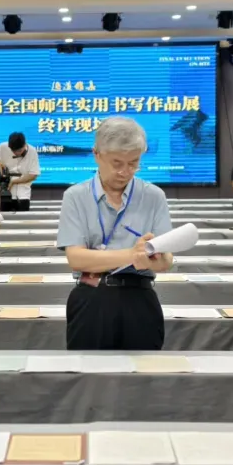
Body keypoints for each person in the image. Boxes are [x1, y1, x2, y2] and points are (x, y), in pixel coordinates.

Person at [56, 117, 174, 351]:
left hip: (140, 296)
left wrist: (154, 260)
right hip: (91, 297)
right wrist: (132, 255)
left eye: (134, 163)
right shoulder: (76, 196)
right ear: (96, 154)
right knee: (87, 371)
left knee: (144, 370)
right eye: (117, 163)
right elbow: (77, 258)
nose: (125, 172)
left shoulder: (154, 196)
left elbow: (166, 260)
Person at [0, 131, 40, 212]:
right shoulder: (2, 147)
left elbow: (33, 175)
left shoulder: (32, 151)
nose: (16, 153)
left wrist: (14, 181)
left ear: (25, 144)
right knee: (2, 218)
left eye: (19, 151)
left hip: (23, 195)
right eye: (13, 151)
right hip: (3, 193)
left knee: (23, 218)